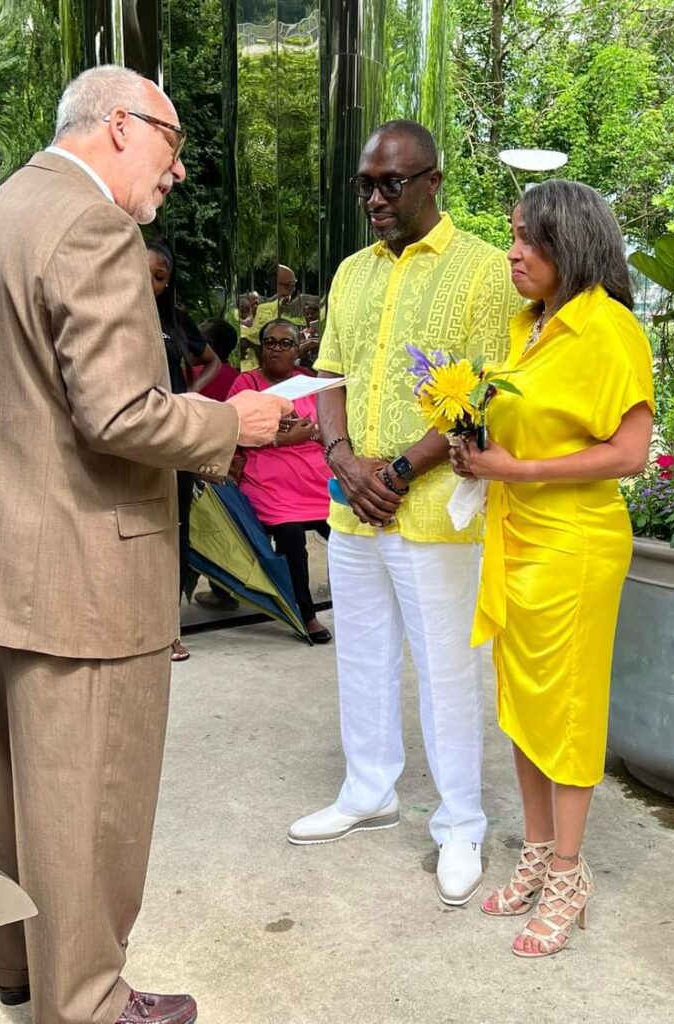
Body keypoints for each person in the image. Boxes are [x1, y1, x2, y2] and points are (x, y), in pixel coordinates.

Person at [0, 64, 290, 1024]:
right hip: (83, 568)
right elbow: (118, 411)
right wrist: (229, 428)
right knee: (90, 805)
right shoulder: (93, 226)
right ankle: (89, 1002)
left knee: (21, 796)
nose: (179, 171)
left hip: (2, 561)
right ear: (120, 125)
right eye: (173, 142)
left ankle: (27, 972)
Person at [288, 120, 521, 907]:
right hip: (353, 507)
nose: (376, 199)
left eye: (392, 184)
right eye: (366, 185)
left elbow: (485, 385)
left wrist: (395, 470)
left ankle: (461, 824)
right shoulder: (353, 271)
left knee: (449, 671)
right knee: (361, 653)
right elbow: (329, 373)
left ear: (433, 180)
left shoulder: (486, 271)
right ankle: (368, 790)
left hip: (431, 513)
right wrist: (342, 459)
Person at [450, 180, 654, 958]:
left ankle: (568, 873)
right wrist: (473, 443)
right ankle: (538, 851)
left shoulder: (609, 330)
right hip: (517, 538)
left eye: (527, 239)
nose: (512, 252)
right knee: (524, 705)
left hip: (574, 545)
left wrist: (515, 471)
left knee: (565, 711)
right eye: (510, 235)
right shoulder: (527, 326)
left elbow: (628, 454)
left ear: (570, 244)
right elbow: (519, 431)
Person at [226, 319, 333, 643]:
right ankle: (305, 612)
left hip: (315, 478)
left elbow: (327, 425)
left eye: (285, 343)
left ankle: (357, 603)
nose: (276, 348)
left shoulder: (309, 383)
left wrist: (311, 432)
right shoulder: (246, 384)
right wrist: (279, 439)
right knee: (290, 535)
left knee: (347, 529)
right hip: (268, 479)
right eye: (270, 342)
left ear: (298, 349)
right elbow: (231, 430)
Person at [146, 238, 223, 661]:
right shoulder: (110, 315)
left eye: (159, 277)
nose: (149, 283)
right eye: (143, 272)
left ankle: (170, 628)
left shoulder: (175, 321)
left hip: (176, 438)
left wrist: (189, 393)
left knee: (174, 529)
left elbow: (213, 361)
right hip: (135, 439)